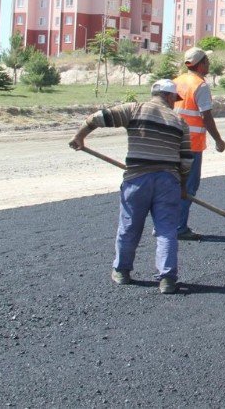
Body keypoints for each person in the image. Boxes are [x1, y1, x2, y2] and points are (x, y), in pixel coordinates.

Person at [69, 79, 193, 294]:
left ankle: (122, 271)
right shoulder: (180, 121)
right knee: (166, 231)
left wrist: (79, 137)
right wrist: (182, 187)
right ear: (169, 96)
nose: (175, 102)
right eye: (175, 98)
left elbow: (96, 118)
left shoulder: (134, 109)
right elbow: (186, 162)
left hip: (138, 179)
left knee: (129, 227)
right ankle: (167, 279)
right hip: (168, 181)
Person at [173, 47, 225, 241]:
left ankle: (164, 225)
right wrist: (219, 140)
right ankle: (178, 228)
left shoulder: (176, 82)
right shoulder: (200, 86)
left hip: (173, 143)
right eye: (207, 60)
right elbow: (206, 116)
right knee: (188, 187)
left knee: (171, 185)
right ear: (201, 64)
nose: (209, 64)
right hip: (191, 145)